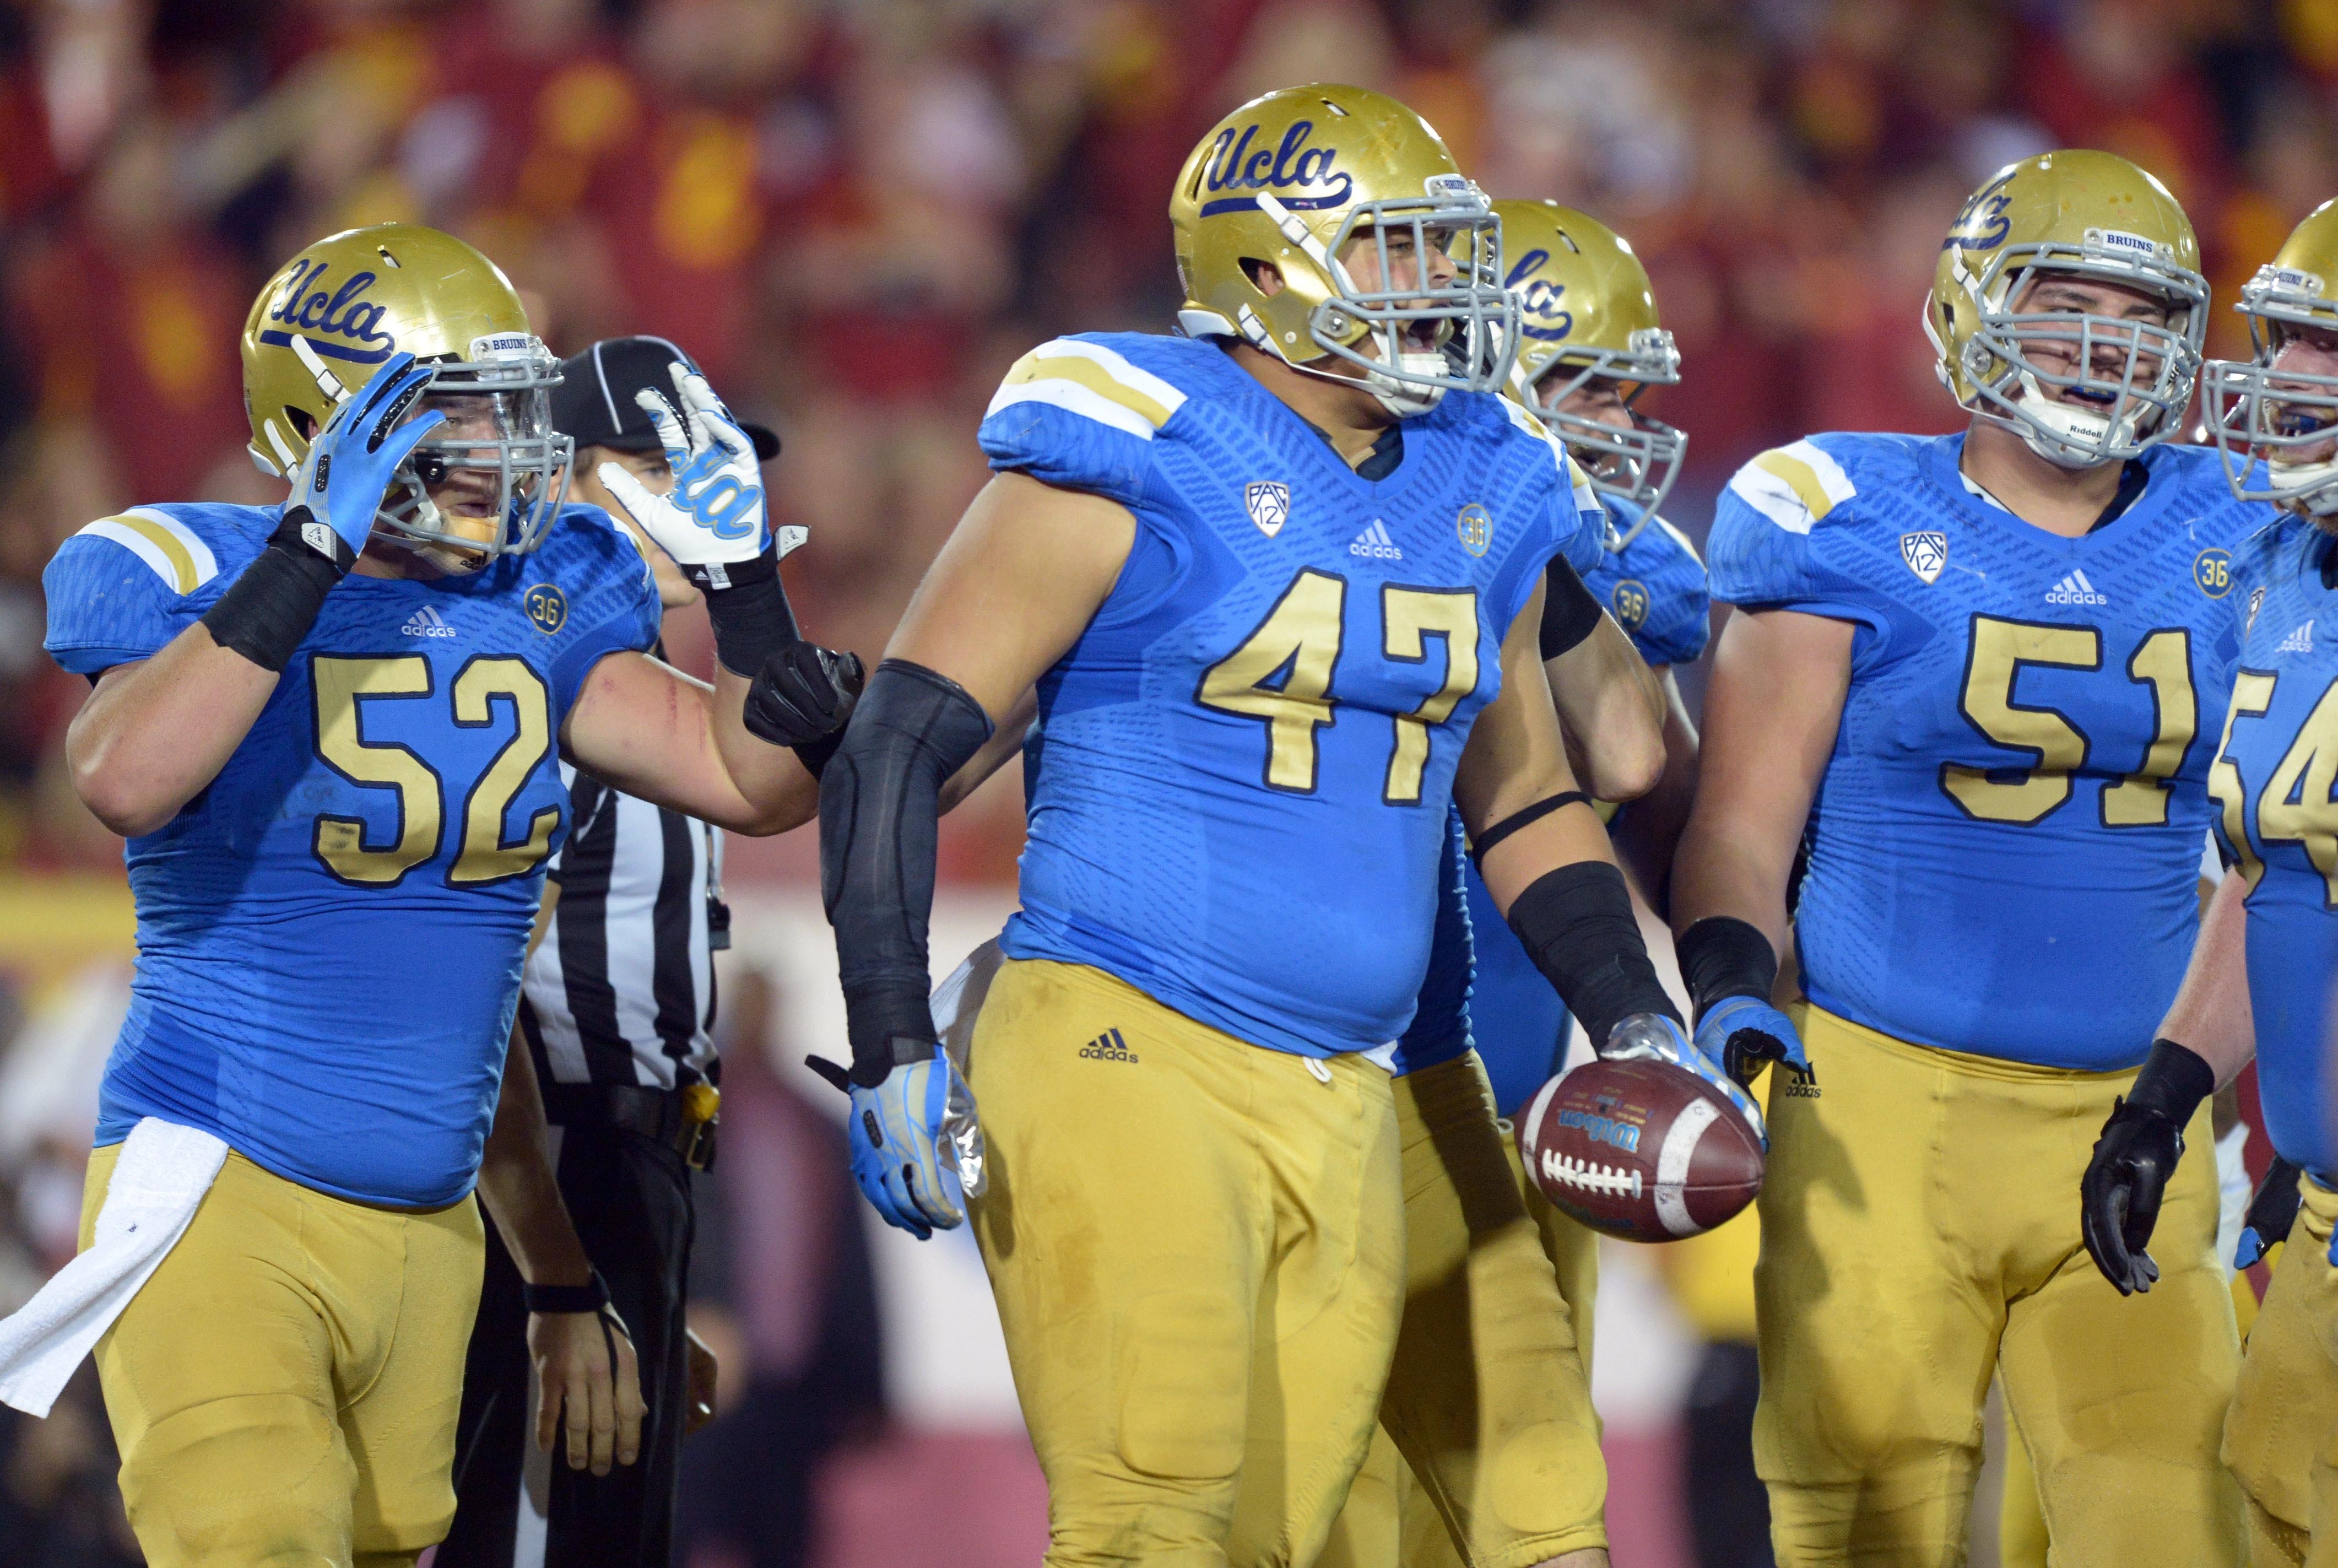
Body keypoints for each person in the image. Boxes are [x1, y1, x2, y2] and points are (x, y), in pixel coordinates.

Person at [814, 84, 1738, 1568]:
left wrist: (1634, 1014)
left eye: (1439, 250)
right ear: (1261, 270)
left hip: (1345, 1085)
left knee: (1280, 1541)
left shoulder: (1480, 472)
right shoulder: (1136, 429)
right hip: (1128, 1031)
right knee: (1152, 1519)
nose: (1433, 286)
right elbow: (901, 743)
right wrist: (889, 1032)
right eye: (1390, 248)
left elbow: (1527, 799)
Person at [17, 223, 855, 1567]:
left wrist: (745, 586)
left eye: (511, 412)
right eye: (464, 414)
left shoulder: (543, 595)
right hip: (223, 1182)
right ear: (337, 419)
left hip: (428, 1226)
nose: (504, 448)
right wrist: (311, 549)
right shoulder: (190, 560)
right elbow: (120, 777)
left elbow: (745, 777)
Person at [1670, 150, 2263, 1564]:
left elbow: (2272, 846)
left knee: (2172, 1526)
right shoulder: (1844, 514)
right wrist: (1730, 982)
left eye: (2139, 314)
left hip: (2142, 1105)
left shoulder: (2245, 523)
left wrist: (2225, 1081)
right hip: (1882, 1090)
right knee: (1867, 1523)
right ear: (1973, 309)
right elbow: (1741, 821)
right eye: (2066, 301)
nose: (2102, 344)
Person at [1315, 196, 1720, 1568]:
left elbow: (1649, 783)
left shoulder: (1609, 565)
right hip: (1361, 1082)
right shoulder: (1392, 528)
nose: (1611, 425)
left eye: (1624, 392)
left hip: (1538, 1101)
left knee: (1535, 1512)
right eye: (1581, 388)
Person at [440, 336, 852, 1568]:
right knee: (530, 1545)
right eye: (664, 465)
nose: (706, 496)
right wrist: (563, 1273)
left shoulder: (636, 675)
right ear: (567, 477)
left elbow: (774, 785)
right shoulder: (545, 665)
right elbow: (482, 982)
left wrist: (651, 1268)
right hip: (555, 1152)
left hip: (622, 1171)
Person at [2081, 195, 2338, 1565]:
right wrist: (2169, 1096)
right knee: (2272, 1503)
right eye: (2286, 341)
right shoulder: (2288, 571)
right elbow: (2272, 883)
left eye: (2329, 351)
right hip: (2320, 1210)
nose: (2289, 382)